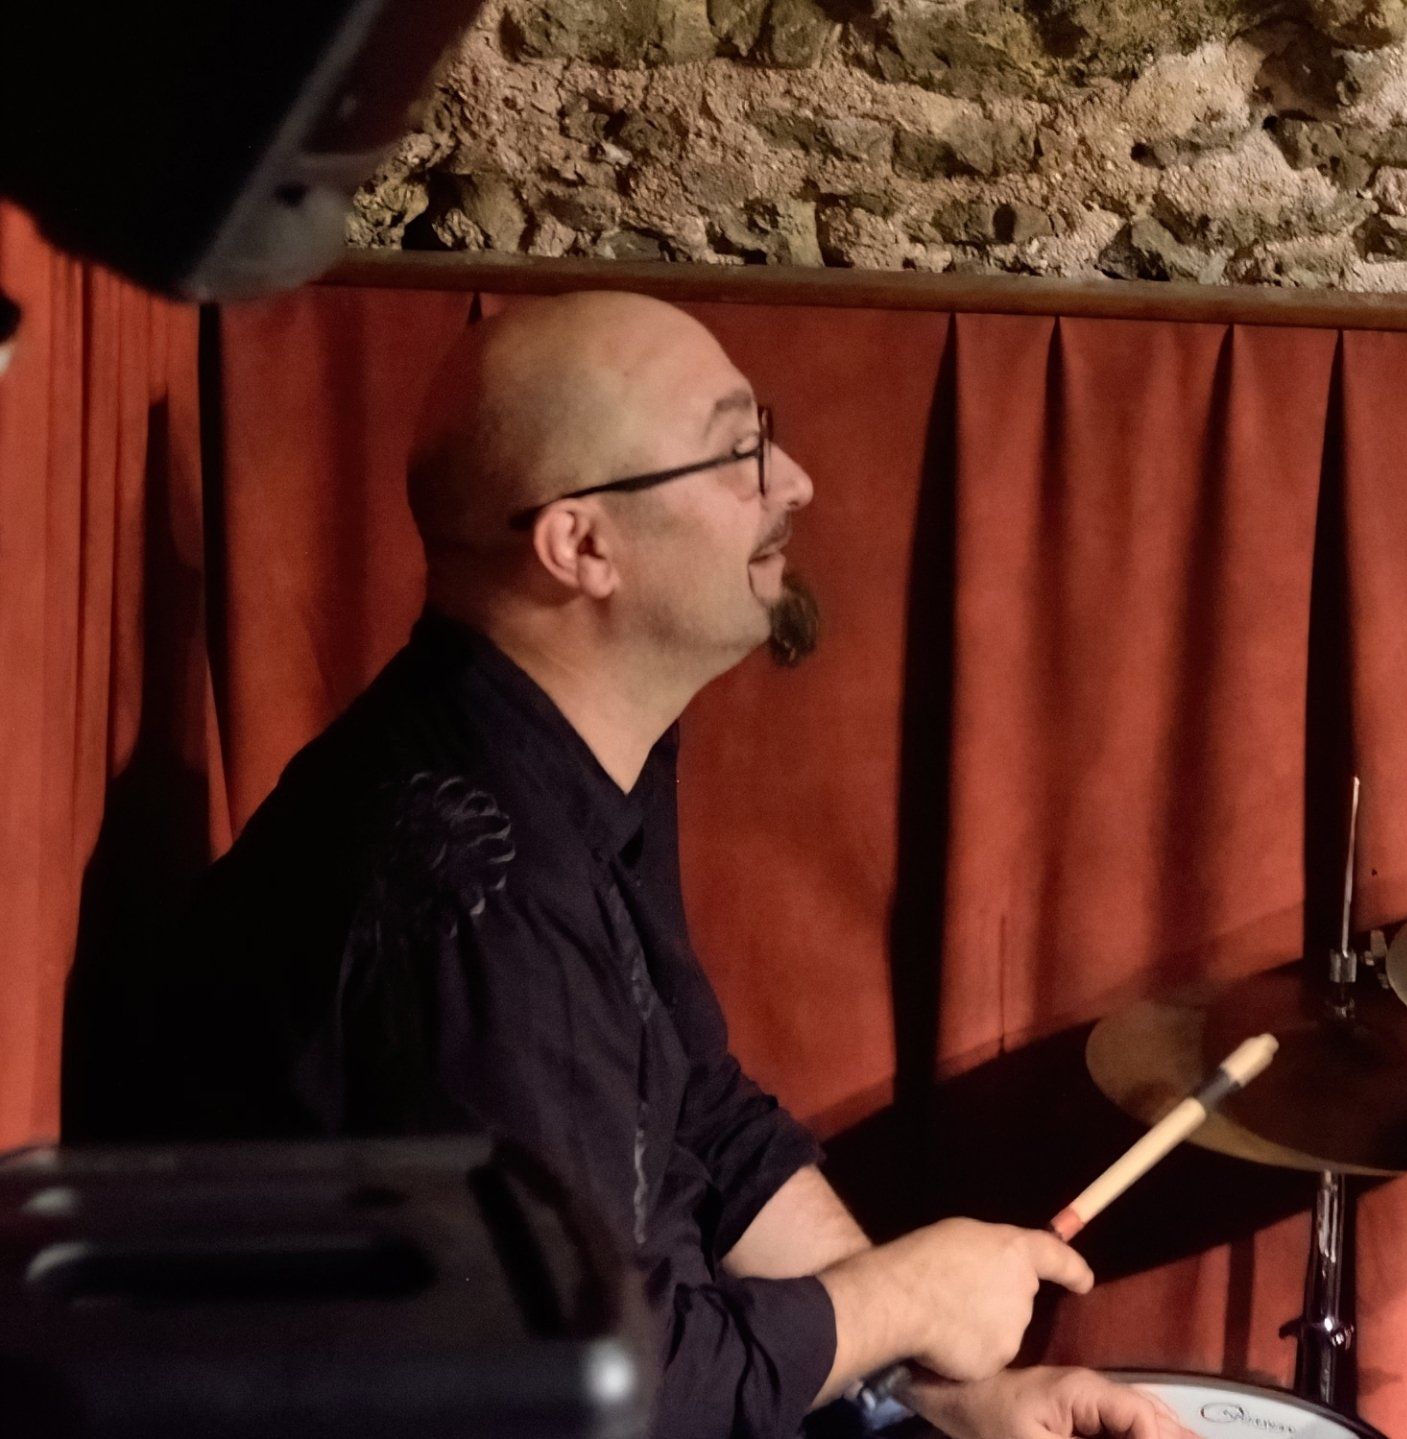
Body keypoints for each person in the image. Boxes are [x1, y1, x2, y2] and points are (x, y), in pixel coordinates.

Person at [78, 292, 1193, 1439]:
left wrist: (931, 1375)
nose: (794, 480)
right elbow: (581, 1385)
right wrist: (902, 1296)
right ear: (582, 545)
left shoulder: (581, 747)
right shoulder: (474, 884)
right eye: (737, 449)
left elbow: (697, 1107)